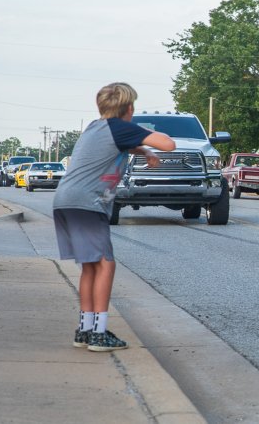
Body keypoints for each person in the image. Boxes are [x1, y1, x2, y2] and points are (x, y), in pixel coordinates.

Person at [53, 82, 175, 352]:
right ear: (129, 109)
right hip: (87, 203)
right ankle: (98, 333)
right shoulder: (122, 127)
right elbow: (168, 143)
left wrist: (143, 151)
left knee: (90, 266)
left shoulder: (96, 128)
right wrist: (148, 139)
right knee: (106, 265)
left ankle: (85, 330)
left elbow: (121, 146)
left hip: (66, 201)